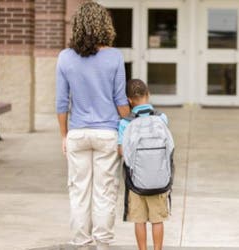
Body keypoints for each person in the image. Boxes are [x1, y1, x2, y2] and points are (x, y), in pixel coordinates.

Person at [55, 2, 130, 250]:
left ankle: (81, 242)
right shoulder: (114, 57)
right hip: (107, 133)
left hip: (77, 133)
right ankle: (103, 244)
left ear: (77, 25)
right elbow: (121, 102)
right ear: (104, 25)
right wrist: (133, 121)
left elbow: (61, 103)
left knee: (79, 192)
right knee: (105, 192)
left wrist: (64, 135)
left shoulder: (65, 58)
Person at [118, 79, 169, 250]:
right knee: (157, 219)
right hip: (159, 179)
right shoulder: (161, 118)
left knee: (139, 220)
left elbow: (121, 151)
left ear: (129, 100)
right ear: (148, 95)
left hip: (136, 182)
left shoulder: (125, 122)